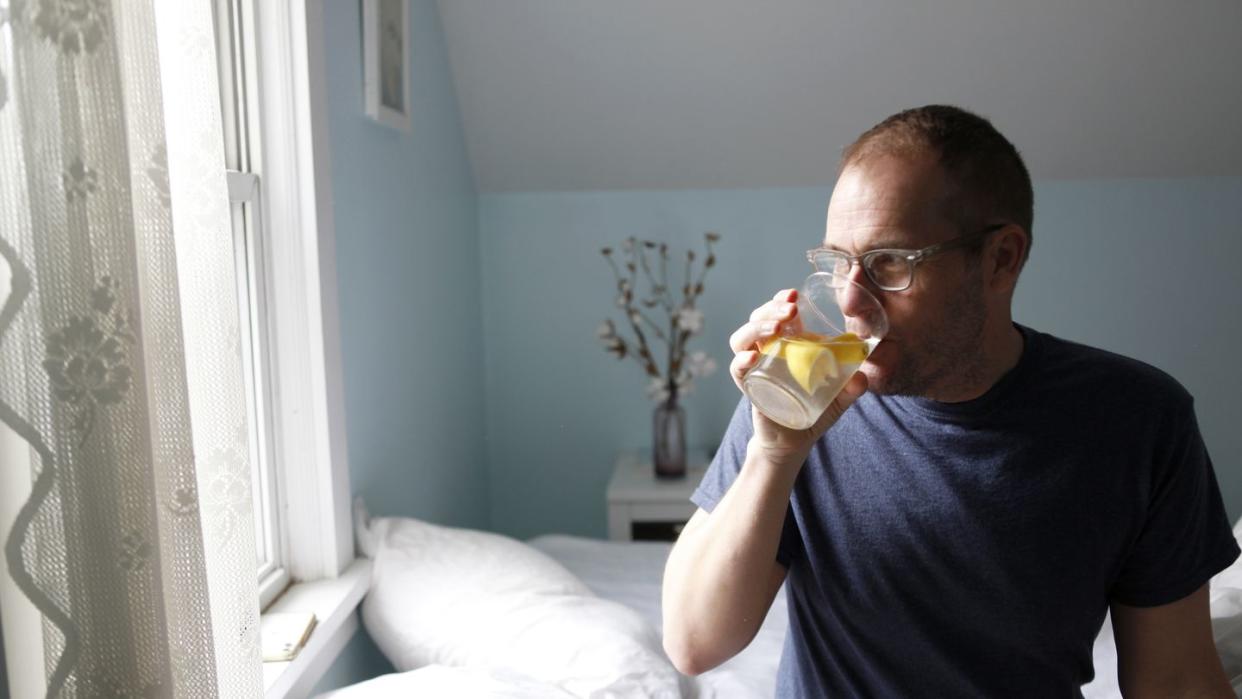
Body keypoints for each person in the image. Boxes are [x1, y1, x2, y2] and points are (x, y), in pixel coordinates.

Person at [661, 104, 1240, 697]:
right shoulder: (801, 394)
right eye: (838, 263)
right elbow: (694, 644)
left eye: (889, 263)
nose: (852, 302)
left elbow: (1178, 679)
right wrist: (774, 453)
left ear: (1000, 260)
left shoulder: (1136, 420)